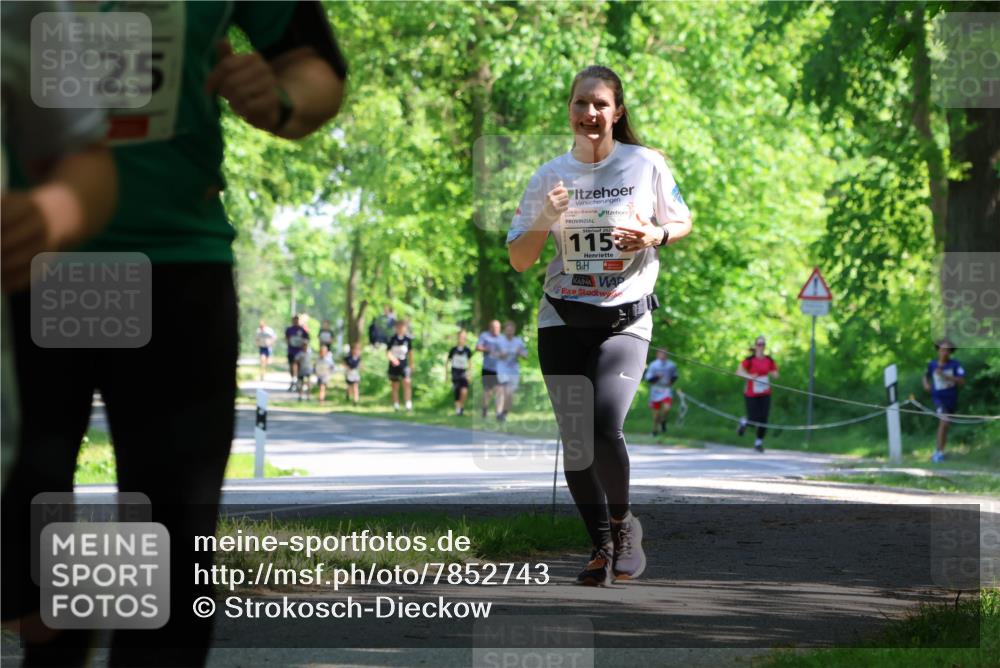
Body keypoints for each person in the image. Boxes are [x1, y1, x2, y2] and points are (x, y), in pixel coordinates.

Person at [1, 3, 347, 664]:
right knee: (24, 514)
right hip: (24, 270)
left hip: (174, 263)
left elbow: (315, 66)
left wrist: (276, 99)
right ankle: (59, 628)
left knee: (170, 532)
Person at [507, 65, 692, 586]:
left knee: (604, 422)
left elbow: (682, 219)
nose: (590, 113)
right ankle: (599, 547)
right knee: (576, 438)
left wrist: (654, 235)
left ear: (618, 111)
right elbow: (521, 260)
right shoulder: (548, 175)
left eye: (600, 104)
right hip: (563, 317)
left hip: (625, 317)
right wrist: (544, 216)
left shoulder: (645, 164)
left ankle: (622, 524)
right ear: (569, 109)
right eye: (580, 103)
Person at [923, 339, 966, 463]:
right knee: (944, 421)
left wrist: (945, 376)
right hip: (938, 399)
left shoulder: (955, 365)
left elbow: (962, 381)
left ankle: (940, 451)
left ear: (951, 352)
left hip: (951, 399)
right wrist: (926, 384)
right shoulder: (932, 364)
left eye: (947, 350)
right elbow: (925, 376)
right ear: (938, 351)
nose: (944, 353)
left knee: (946, 426)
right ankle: (939, 453)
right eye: (942, 350)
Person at [736, 336, 779, 453]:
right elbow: (738, 372)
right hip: (751, 393)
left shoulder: (769, 360)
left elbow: (775, 373)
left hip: (765, 392)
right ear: (755, 346)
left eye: (763, 344)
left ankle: (758, 442)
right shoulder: (749, 360)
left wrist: (773, 374)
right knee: (753, 418)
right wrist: (750, 376)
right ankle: (744, 422)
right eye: (759, 344)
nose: (761, 346)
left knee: (763, 418)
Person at [494, 321, 528, 423]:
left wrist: (520, 353)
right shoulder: (499, 340)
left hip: (514, 370)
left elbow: (526, 356)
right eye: (508, 330)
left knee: (510, 394)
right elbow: (492, 353)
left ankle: (503, 413)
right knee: (503, 390)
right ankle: (498, 413)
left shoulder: (518, 341)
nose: (509, 332)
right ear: (504, 330)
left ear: (514, 331)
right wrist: (500, 354)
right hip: (502, 369)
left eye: (511, 330)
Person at [645, 348, 678, 437]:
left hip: (666, 389)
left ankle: (663, 420)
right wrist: (656, 377)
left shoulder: (672, 365)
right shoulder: (653, 365)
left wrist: (670, 382)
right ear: (657, 354)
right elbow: (649, 379)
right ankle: (654, 430)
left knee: (667, 408)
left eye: (665, 354)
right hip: (656, 390)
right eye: (661, 353)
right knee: (656, 415)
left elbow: (675, 376)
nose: (663, 355)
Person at [476, 319, 503, 419]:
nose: (497, 329)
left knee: (500, 390)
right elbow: (478, 347)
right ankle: (484, 408)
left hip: (500, 370)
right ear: (490, 328)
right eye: (495, 327)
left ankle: (499, 413)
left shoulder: (502, 338)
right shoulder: (485, 336)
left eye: (498, 327)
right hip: (487, 368)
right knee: (488, 391)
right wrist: (488, 349)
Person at [387, 319, 414, 411]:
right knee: (395, 385)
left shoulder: (407, 340)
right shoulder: (392, 339)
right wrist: (393, 359)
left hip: (404, 364)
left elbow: (410, 352)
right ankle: (396, 404)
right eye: (399, 327)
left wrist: (411, 364)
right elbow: (388, 352)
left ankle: (408, 404)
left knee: (407, 382)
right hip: (394, 365)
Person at [447, 329, 474, 416]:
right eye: (461, 337)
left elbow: (470, 363)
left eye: (464, 337)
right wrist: (446, 374)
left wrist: (469, 374)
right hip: (455, 371)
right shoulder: (453, 350)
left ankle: (461, 406)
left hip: (464, 372)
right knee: (457, 391)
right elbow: (447, 361)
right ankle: (458, 409)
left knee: (464, 391)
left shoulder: (467, 350)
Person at [286, 314, 310, 390]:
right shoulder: (289, 330)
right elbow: (287, 339)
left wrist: (304, 346)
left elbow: (307, 340)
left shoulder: (302, 330)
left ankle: (299, 383)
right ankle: (293, 380)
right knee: (291, 367)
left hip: (299, 352)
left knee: (299, 367)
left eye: (297, 320)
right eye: (294, 320)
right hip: (291, 351)